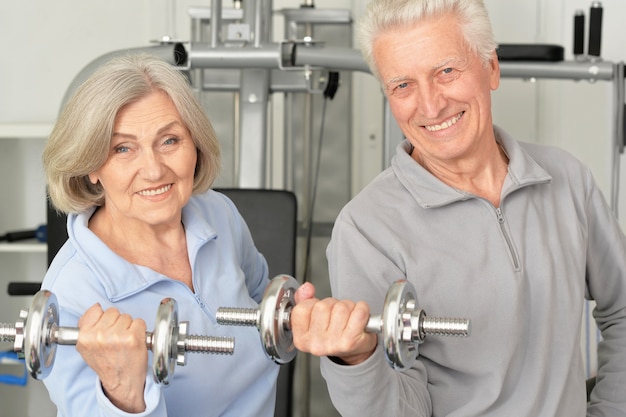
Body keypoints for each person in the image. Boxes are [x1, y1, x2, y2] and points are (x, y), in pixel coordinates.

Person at [290, 0, 626, 416]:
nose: (430, 106)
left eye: (446, 71)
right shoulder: (367, 229)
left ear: (492, 68)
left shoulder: (567, 180)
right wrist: (358, 358)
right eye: (403, 86)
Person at [41, 54, 279, 416]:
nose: (153, 170)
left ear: (194, 145)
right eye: (123, 148)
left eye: (169, 141)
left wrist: (302, 315)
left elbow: (264, 303)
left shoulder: (218, 213)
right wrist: (122, 393)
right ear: (91, 166)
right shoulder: (71, 296)